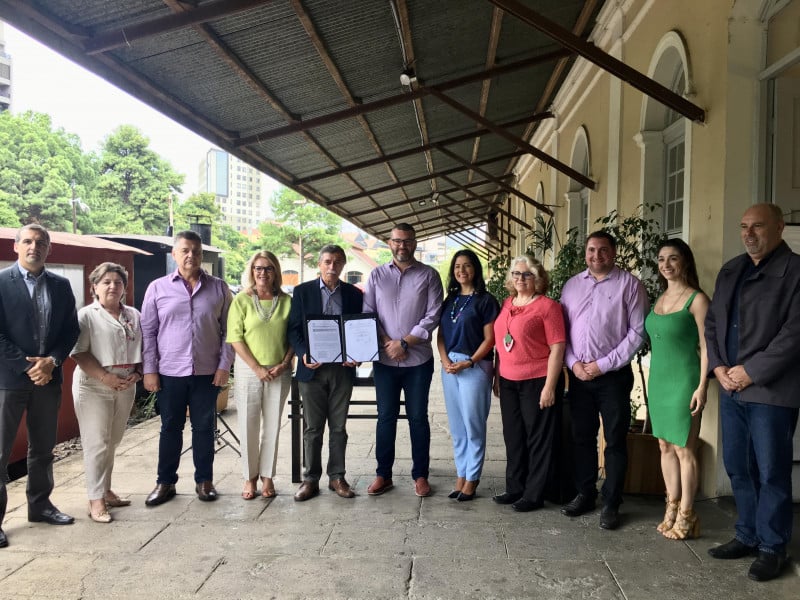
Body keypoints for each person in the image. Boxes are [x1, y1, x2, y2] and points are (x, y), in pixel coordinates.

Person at [705, 203, 800, 582]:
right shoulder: (732, 269)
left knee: (771, 470)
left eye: (757, 226)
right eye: (744, 226)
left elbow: (794, 333)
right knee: (738, 466)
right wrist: (718, 368)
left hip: (771, 391)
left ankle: (772, 546)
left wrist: (752, 371)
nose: (749, 233)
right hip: (730, 387)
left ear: (779, 228)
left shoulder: (795, 271)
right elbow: (713, 323)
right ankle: (747, 533)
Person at [560, 230, 649, 530]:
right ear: (585, 253)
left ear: (614, 252)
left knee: (614, 440)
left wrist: (602, 365)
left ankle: (612, 501)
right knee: (581, 438)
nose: (596, 256)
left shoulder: (631, 285)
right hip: (579, 376)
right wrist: (573, 364)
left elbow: (636, 334)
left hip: (612, 377)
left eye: (603, 250)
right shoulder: (572, 286)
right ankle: (586, 493)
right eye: (591, 250)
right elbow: (563, 331)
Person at [0, 224, 80, 548]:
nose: (34, 247)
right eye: (28, 241)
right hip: (8, 380)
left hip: (49, 379)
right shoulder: (1, 283)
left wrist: (52, 362)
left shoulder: (61, 286)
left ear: (50, 249)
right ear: (16, 247)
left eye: (41, 242)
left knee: (43, 449)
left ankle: (41, 505)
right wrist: (28, 365)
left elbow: (70, 331)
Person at [141, 230, 234, 506]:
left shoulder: (219, 288)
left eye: (196, 251)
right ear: (174, 254)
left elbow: (229, 331)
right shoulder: (157, 288)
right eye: (185, 250)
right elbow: (148, 331)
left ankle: (204, 481)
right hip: (169, 372)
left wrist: (224, 366)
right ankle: (165, 482)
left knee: (205, 427)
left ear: (202, 255)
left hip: (207, 372)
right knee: (170, 427)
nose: (190, 255)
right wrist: (149, 369)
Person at [363, 223, 443, 497]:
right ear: (389, 243)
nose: (402, 246)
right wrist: (389, 343)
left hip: (418, 361)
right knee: (385, 417)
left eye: (407, 241)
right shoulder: (375, 275)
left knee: (418, 418)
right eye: (397, 241)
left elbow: (433, 315)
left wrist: (405, 342)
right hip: (385, 361)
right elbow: (368, 313)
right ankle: (382, 474)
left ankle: (420, 475)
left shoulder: (429, 276)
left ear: (415, 243)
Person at [644, 240, 709, 539]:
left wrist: (702, 385)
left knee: (685, 448)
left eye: (673, 258)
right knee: (664, 446)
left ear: (685, 262)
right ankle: (670, 506)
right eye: (661, 259)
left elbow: (708, 347)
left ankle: (687, 513)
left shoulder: (696, 300)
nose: (666, 264)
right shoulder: (659, 298)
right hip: (659, 381)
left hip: (685, 380)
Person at [288, 245, 363, 501]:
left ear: (343, 265)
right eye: (328, 261)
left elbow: (358, 329)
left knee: (339, 427)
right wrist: (302, 353)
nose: (332, 267)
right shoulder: (302, 292)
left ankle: (337, 477)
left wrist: (357, 354)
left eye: (338, 262)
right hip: (312, 370)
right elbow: (293, 330)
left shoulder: (354, 294)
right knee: (312, 428)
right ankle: (310, 479)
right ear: (319, 264)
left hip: (342, 370)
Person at [491, 255, 565, 512]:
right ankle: (515, 488)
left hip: (537, 380)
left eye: (526, 274)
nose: (520, 278)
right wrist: (497, 375)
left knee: (538, 439)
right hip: (508, 381)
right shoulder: (507, 303)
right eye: (516, 274)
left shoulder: (548, 307)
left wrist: (550, 386)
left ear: (538, 278)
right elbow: (501, 345)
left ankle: (534, 494)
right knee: (513, 437)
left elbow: (558, 347)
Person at [71, 263, 143, 523]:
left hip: (126, 383)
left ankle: (106, 488)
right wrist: (106, 377)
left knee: (112, 440)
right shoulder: (87, 316)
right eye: (106, 282)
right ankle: (95, 499)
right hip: (94, 384)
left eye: (118, 282)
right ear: (95, 287)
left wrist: (138, 373)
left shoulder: (133, 315)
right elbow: (79, 352)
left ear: (124, 287)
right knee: (96, 443)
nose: (113, 286)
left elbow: (143, 348)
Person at [227, 251, 293, 500]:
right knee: (248, 424)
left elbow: (294, 337)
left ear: (275, 271)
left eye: (268, 268)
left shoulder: (287, 301)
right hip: (248, 370)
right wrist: (257, 368)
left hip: (279, 369)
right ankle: (249, 477)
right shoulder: (241, 301)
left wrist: (285, 363)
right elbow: (235, 337)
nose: (262, 273)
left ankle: (267, 476)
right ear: (251, 271)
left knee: (273, 426)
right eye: (257, 268)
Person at [437, 249, 499, 501]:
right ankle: (461, 474)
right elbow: (440, 334)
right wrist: (444, 360)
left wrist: (469, 362)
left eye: (467, 266)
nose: (462, 271)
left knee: (473, 425)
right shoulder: (449, 300)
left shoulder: (486, 300)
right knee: (457, 427)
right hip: (450, 366)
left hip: (475, 366)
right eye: (457, 266)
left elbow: (490, 339)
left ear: (476, 269)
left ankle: (472, 477)